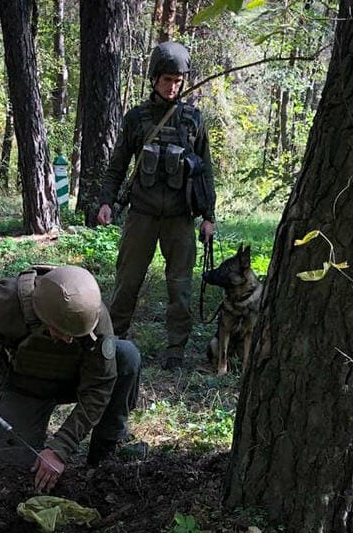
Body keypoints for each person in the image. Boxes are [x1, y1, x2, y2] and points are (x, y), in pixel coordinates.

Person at [0, 265, 141, 493]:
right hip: (25, 386)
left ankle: (106, 451)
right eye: (61, 331)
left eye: (75, 335)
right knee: (15, 467)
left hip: (76, 381)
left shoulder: (94, 319)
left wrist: (61, 447)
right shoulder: (7, 301)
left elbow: (98, 388)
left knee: (126, 356)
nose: (69, 340)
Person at [96, 41, 216, 370]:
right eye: (167, 80)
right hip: (142, 215)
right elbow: (117, 166)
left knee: (180, 287)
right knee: (127, 281)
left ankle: (176, 349)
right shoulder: (136, 118)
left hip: (180, 218)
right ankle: (113, 342)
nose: (173, 86)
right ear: (154, 78)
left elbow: (206, 170)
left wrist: (209, 216)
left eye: (178, 81)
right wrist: (106, 201)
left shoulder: (193, 119)